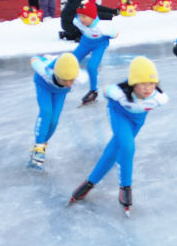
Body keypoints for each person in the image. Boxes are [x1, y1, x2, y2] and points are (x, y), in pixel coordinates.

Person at [69, 57, 168, 214]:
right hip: (119, 114)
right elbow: (106, 90)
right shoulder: (118, 93)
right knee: (127, 147)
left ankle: (89, 183)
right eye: (143, 83)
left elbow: (154, 96)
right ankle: (125, 187)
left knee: (114, 151)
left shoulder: (159, 98)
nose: (148, 88)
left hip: (137, 121)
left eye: (152, 83)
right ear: (133, 83)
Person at [27, 52, 87, 170]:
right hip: (43, 84)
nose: (69, 84)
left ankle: (42, 146)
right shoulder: (44, 70)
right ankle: (38, 148)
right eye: (66, 80)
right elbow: (34, 58)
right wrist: (46, 58)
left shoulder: (81, 78)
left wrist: (65, 83)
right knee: (46, 112)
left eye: (72, 80)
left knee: (54, 120)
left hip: (60, 92)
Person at [69, 0, 118, 104]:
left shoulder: (101, 27)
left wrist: (108, 37)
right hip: (85, 42)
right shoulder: (77, 21)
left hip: (99, 45)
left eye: (84, 16)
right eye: (80, 16)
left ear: (92, 17)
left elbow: (115, 34)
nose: (81, 19)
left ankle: (93, 90)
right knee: (70, 61)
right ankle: (63, 80)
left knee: (91, 66)